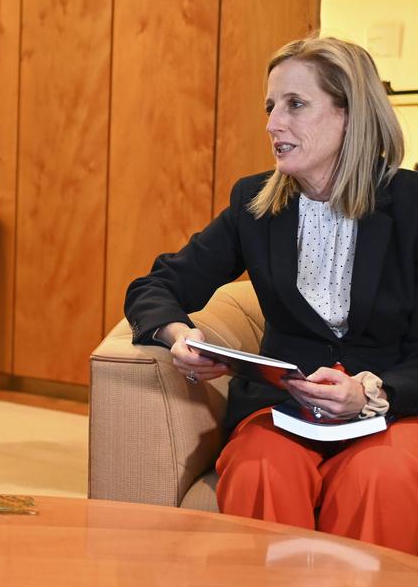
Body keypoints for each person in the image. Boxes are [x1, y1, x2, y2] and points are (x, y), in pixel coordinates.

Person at [125, 36, 418, 552]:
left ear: (351, 113)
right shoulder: (255, 204)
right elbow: (156, 285)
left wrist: (374, 392)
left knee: (380, 478)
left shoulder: (415, 204)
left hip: (391, 409)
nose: (272, 123)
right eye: (270, 106)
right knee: (261, 469)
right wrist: (179, 335)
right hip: (284, 407)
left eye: (295, 105)